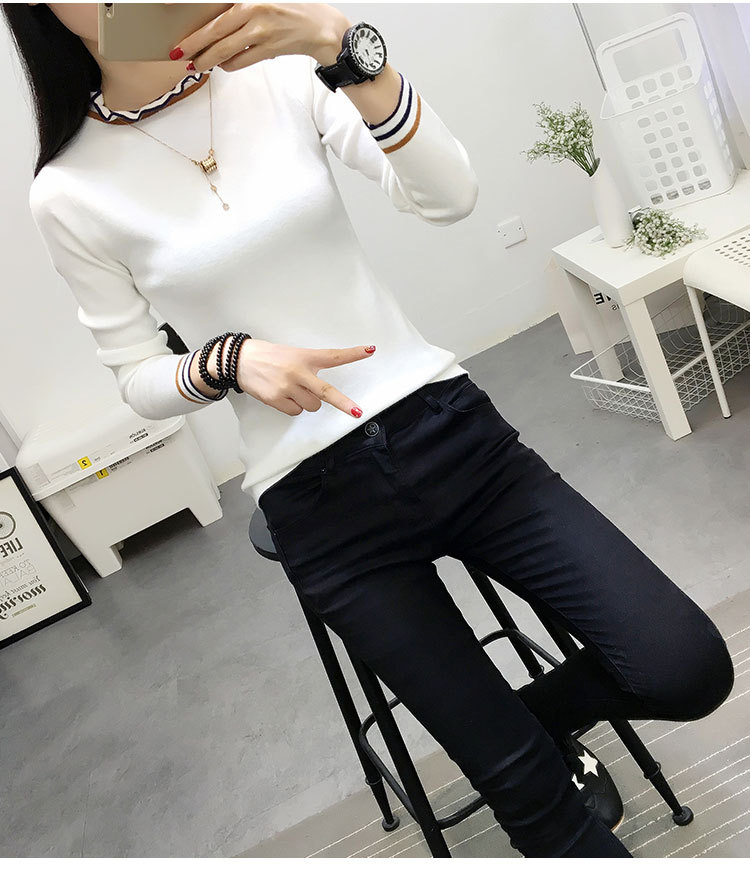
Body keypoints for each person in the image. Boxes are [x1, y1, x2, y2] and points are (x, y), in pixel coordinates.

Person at [8, 2, 734, 858]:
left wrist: (342, 47)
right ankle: (509, 757)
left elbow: (448, 195)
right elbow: (136, 376)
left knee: (686, 666)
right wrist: (230, 360)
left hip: (450, 433)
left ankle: (512, 730)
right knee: (534, 808)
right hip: (320, 507)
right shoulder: (68, 190)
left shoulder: (281, 75)